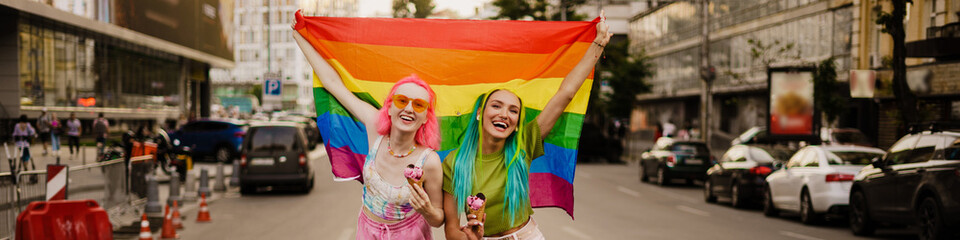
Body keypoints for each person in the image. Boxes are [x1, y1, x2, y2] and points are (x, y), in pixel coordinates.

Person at [441, 14, 611, 240]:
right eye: (496, 106)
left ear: (517, 124)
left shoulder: (524, 144)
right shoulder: (454, 162)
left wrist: (598, 44)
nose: (504, 114)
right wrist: (471, 237)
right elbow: (451, 229)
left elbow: (565, 94)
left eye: (513, 110)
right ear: (480, 113)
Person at [294, 20, 445, 240]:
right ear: (390, 107)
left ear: (425, 118)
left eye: (419, 105)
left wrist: (427, 210)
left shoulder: (429, 161)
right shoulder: (374, 127)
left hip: (409, 234)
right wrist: (299, 34)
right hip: (367, 231)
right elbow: (333, 84)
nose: (409, 109)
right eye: (402, 101)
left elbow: (438, 218)